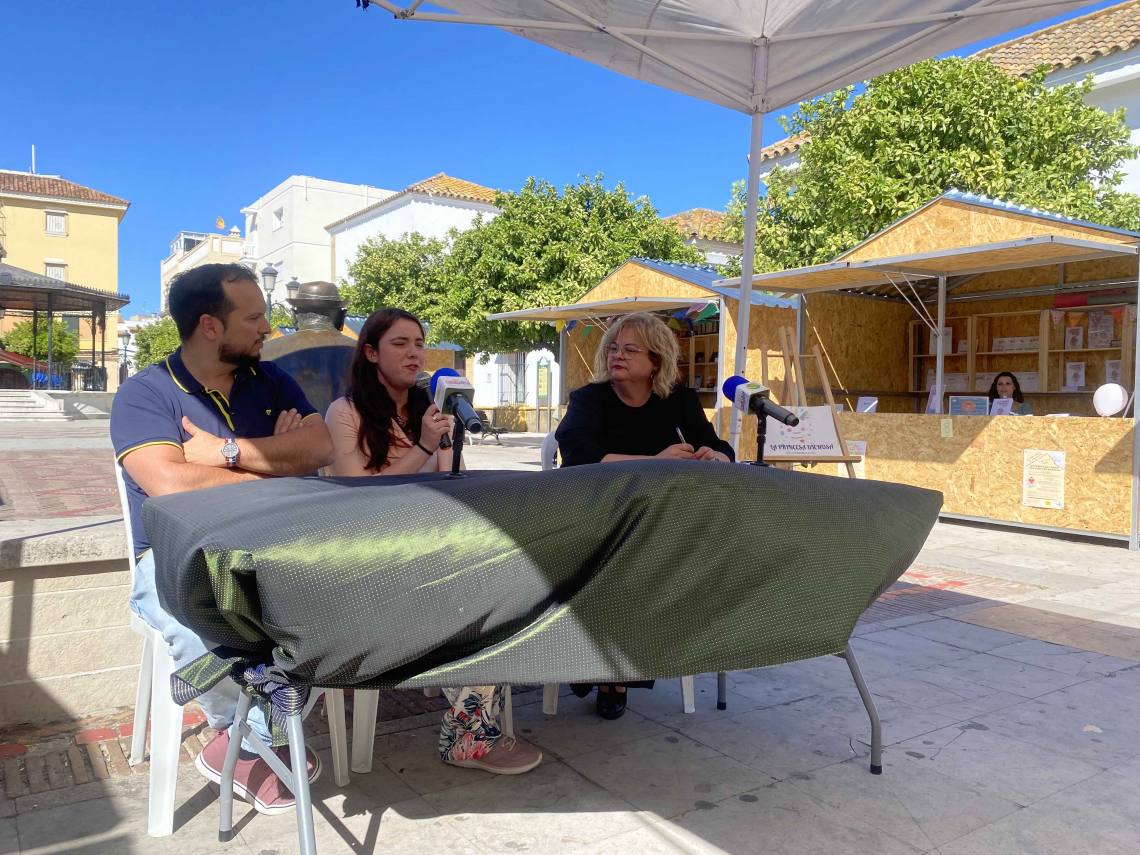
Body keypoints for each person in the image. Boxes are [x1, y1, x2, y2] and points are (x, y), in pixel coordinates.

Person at [111, 263, 335, 815]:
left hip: (271, 544)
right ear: (210, 325)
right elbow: (168, 484)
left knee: (334, 603)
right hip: (176, 555)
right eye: (253, 317)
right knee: (201, 623)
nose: (267, 328)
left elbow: (320, 447)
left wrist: (225, 453)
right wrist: (276, 465)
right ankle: (244, 738)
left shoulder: (270, 379)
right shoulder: (147, 393)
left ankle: (247, 741)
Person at [325, 308, 542, 775]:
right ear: (371, 353)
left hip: (433, 545)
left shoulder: (429, 413)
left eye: (419, 344)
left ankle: (472, 722)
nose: (414, 353)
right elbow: (356, 496)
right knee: (473, 599)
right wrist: (424, 446)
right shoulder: (344, 413)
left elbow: (452, 486)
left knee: (509, 585)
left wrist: (446, 442)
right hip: (372, 557)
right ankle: (468, 736)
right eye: (400, 343)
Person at [554, 311, 734, 718]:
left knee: (655, 561)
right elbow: (579, 456)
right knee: (618, 561)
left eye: (630, 350)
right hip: (592, 513)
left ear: (656, 360)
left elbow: (717, 445)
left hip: (655, 518)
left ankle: (602, 663)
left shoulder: (678, 400)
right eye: (613, 348)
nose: (617, 355)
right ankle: (605, 668)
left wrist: (716, 456)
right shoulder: (589, 398)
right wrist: (655, 461)